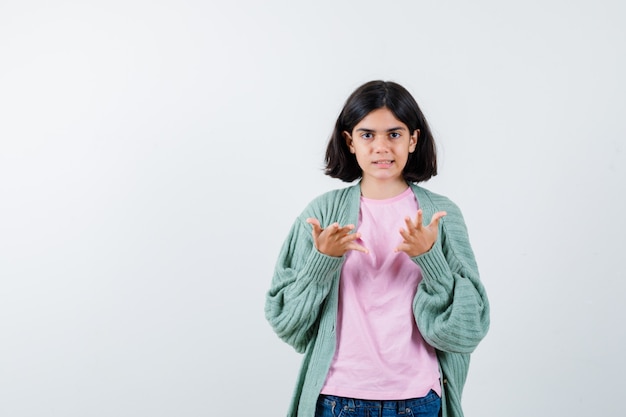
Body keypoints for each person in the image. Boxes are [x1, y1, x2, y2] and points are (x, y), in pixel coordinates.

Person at [265, 80, 490, 417]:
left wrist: (432, 263)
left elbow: (469, 329)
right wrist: (321, 262)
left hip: (419, 400)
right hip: (337, 399)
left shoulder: (440, 216)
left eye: (394, 134)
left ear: (413, 139)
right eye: (367, 134)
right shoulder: (322, 215)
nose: (382, 147)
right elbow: (286, 321)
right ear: (349, 141)